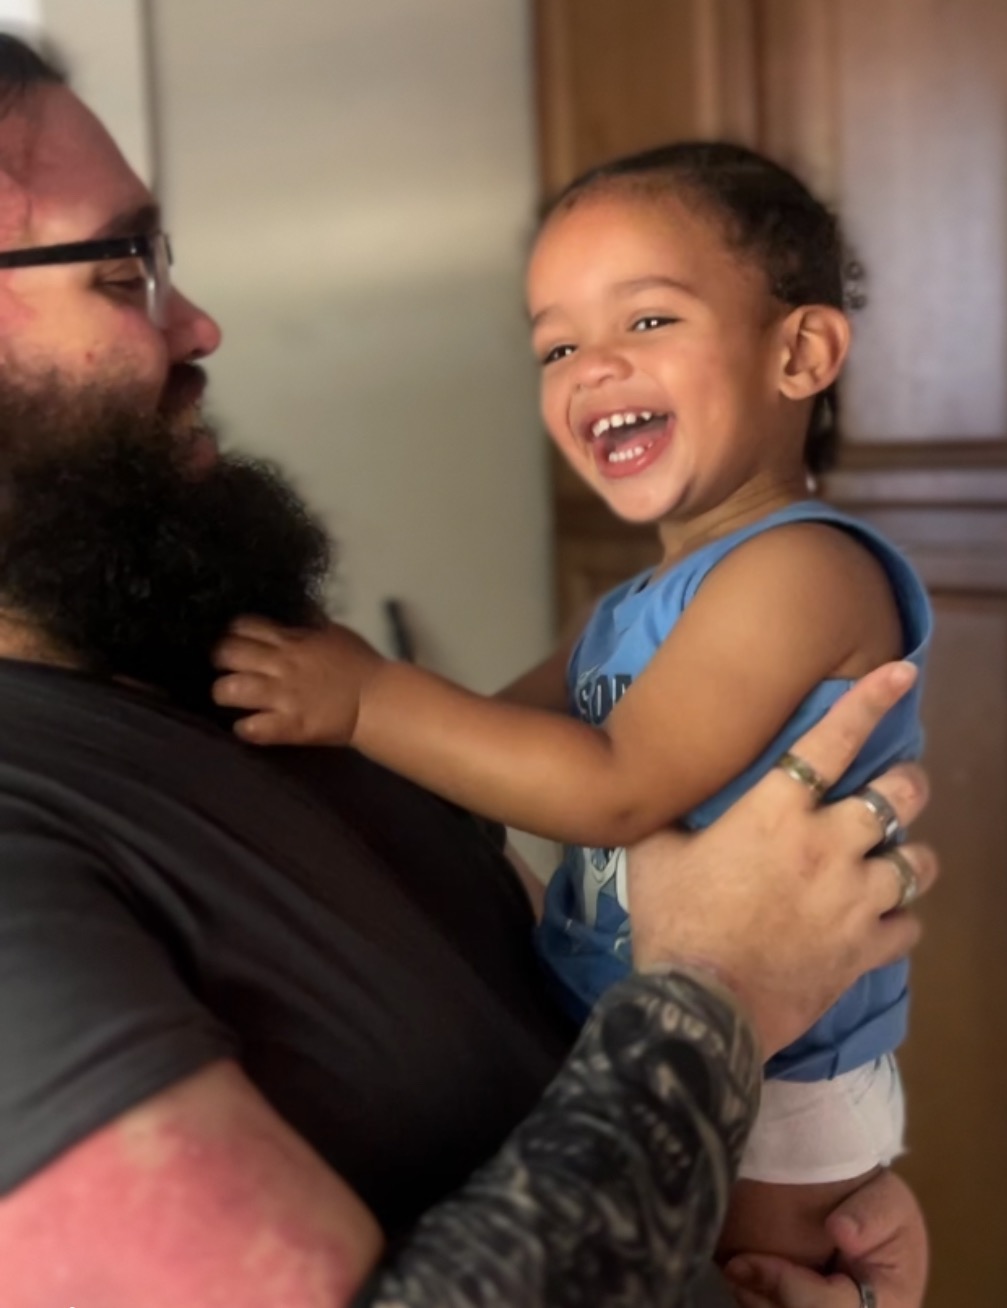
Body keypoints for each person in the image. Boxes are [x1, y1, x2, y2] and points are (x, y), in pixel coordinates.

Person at [0, 35, 937, 1308]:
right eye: (120, 270)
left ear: (801, 353)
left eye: (647, 320)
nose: (200, 323)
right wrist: (713, 1002)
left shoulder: (174, 637)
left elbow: (545, 803)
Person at [212, 142, 932, 1272]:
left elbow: (612, 786)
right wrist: (346, 735)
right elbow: (494, 752)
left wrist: (368, 699)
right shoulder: (638, 602)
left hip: (779, 1083)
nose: (593, 368)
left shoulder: (803, 571)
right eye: (556, 346)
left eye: (646, 321)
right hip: (659, 1037)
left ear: (799, 353)